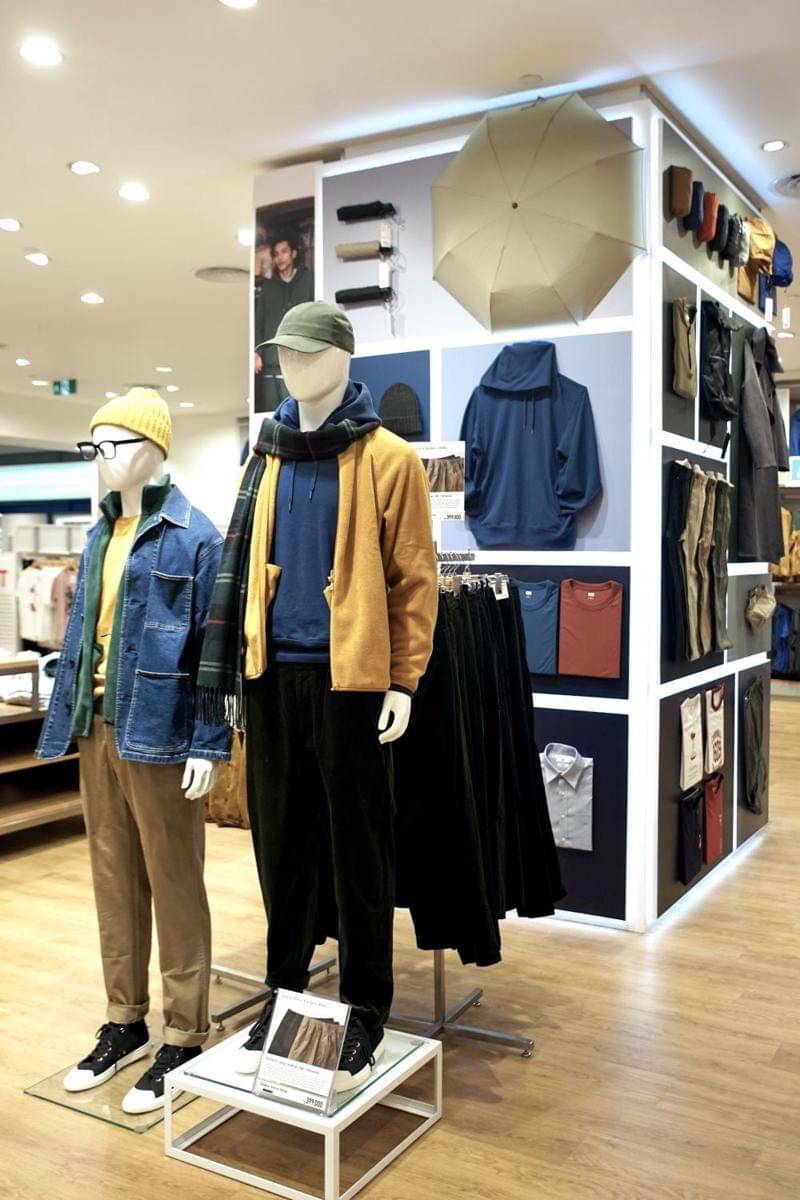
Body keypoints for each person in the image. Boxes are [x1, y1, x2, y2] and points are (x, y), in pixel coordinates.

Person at [254, 230, 314, 411]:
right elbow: (258, 323)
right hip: (271, 365)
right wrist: (257, 353)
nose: (279, 257)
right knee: (272, 417)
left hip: (299, 364)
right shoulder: (268, 288)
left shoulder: (309, 281)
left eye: (284, 252)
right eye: (276, 254)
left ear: (293, 253)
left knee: (297, 415)